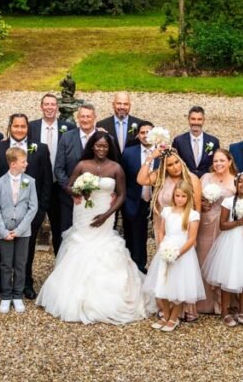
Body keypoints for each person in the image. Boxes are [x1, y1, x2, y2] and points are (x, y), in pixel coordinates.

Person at [37, 131, 152, 324]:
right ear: (92, 146)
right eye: (98, 146)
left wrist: (107, 215)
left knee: (104, 246)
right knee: (80, 244)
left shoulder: (116, 168)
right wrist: (77, 191)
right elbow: (68, 185)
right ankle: (71, 293)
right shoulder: (83, 165)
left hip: (105, 212)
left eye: (105, 146)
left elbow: (121, 195)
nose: (101, 149)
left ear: (110, 148)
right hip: (83, 212)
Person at [0, 113, 52, 300]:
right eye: (16, 126)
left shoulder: (40, 149)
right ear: (10, 127)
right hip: (4, 213)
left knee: (27, 250)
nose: (19, 130)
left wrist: (40, 211)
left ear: (27, 128)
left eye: (23, 126)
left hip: (30, 213)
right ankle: (1, 283)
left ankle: (26, 283)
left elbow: (46, 182)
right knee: (3, 249)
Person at [203, 172, 243, 327]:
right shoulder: (229, 201)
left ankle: (242, 310)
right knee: (228, 275)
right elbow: (223, 225)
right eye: (240, 182)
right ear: (236, 185)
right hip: (232, 241)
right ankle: (225, 311)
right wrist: (238, 222)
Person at [142, 181, 206, 332]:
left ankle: (174, 317)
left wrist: (177, 253)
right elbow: (161, 231)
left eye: (183, 196)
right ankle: (165, 314)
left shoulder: (192, 215)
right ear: (173, 196)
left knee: (179, 285)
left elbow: (191, 239)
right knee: (162, 282)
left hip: (182, 253)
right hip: (166, 249)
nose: (180, 199)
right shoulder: (167, 211)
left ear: (188, 197)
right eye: (177, 195)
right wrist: (164, 246)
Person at [0, 148, 39, 314]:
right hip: (4, 231)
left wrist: (19, 230)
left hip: (23, 231)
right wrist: (3, 231)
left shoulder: (30, 181)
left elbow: (33, 207)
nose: (26, 163)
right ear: (13, 164)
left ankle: (17, 295)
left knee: (20, 263)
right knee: (5, 264)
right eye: (23, 161)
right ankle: (6, 296)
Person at [28, 93, 75, 255]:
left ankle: (60, 268)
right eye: (46, 104)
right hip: (36, 186)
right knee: (31, 230)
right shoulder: (31, 127)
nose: (49, 107)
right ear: (41, 107)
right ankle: (26, 276)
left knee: (60, 230)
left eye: (52, 104)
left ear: (57, 107)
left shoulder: (68, 128)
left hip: (58, 186)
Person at [196, 148, 237, 315]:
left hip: (225, 225)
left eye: (222, 160)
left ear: (229, 162)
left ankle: (223, 303)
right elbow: (195, 196)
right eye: (215, 161)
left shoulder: (235, 180)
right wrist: (202, 204)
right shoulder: (206, 178)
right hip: (206, 223)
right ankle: (204, 302)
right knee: (203, 258)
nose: (218, 164)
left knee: (223, 262)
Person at [53, 103, 99, 251]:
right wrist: (72, 191)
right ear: (78, 118)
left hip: (96, 199)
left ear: (94, 118)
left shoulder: (103, 138)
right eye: (82, 116)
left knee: (93, 236)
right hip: (69, 200)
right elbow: (59, 169)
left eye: (88, 116)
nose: (85, 119)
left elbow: (112, 167)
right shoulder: (66, 137)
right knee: (68, 236)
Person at [120, 121, 156, 273]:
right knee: (135, 237)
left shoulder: (164, 152)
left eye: (149, 132)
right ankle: (137, 269)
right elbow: (123, 177)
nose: (145, 135)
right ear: (138, 135)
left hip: (158, 201)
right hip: (134, 200)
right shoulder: (129, 152)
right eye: (142, 132)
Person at [173, 106, 220, 178]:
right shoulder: (179, 141)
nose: (196, 122)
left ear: (204, 120)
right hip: (185, 181)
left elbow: (217, 162)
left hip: (207, 181)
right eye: (193, 119)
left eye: (199, 119)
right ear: (188, 119)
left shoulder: (213, 141)